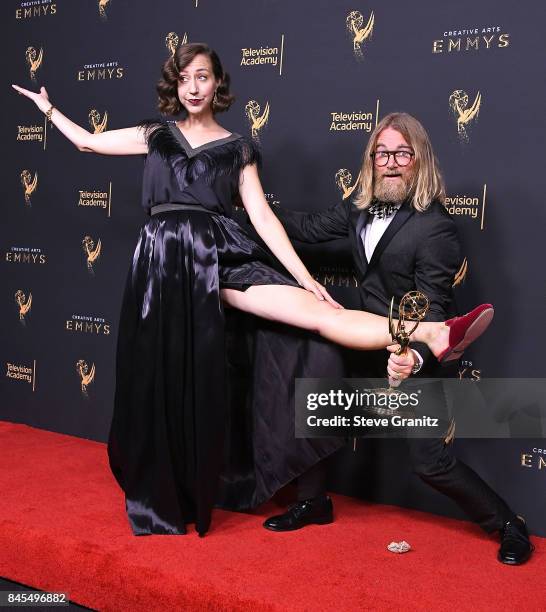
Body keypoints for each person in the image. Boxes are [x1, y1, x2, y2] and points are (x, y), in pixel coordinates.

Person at [12, 48, 491, 538]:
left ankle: (432, 332)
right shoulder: (154, 135)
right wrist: (48, 110)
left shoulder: (238, 148)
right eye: (184, 79)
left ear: (218, 83)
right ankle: (174, 479)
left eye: (202, 77)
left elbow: (262, 217)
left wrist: (305, 278)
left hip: (222, 254)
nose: (193, 87)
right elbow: (89, 144)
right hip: (165, 262)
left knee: (317, 313)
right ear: (174, 86)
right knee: (169, 376)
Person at [267, 113, 533, 565]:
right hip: (363, 339)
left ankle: (509, 524)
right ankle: (314, 500)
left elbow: (433, 308)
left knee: (430, 463)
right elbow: (310, 229)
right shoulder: (358, 205)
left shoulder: (435, 227)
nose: (390, 163)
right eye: (382, 153)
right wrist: (246, 204)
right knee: (310, 395)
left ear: (419, 159)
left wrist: (413, 357)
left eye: (401, 154)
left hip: (410, 350)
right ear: (372, 158)